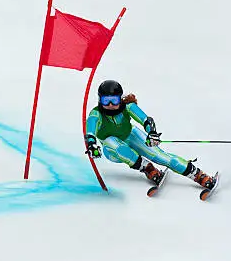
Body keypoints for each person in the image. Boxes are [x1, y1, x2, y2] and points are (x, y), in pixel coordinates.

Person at [84, 80, 216, 189]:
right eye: (106, 101)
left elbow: (146, 120)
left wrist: (151, 133)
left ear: (120, 99)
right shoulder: (96, 114)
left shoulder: (127, 107)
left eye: (114, 100)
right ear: (99, 100)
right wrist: (91, 144)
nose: (111, 105)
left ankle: (198, 175)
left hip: (131, 136)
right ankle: (147, 168)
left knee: (161, 157)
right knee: (111, 141)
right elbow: (91, 127)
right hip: (113, 151)